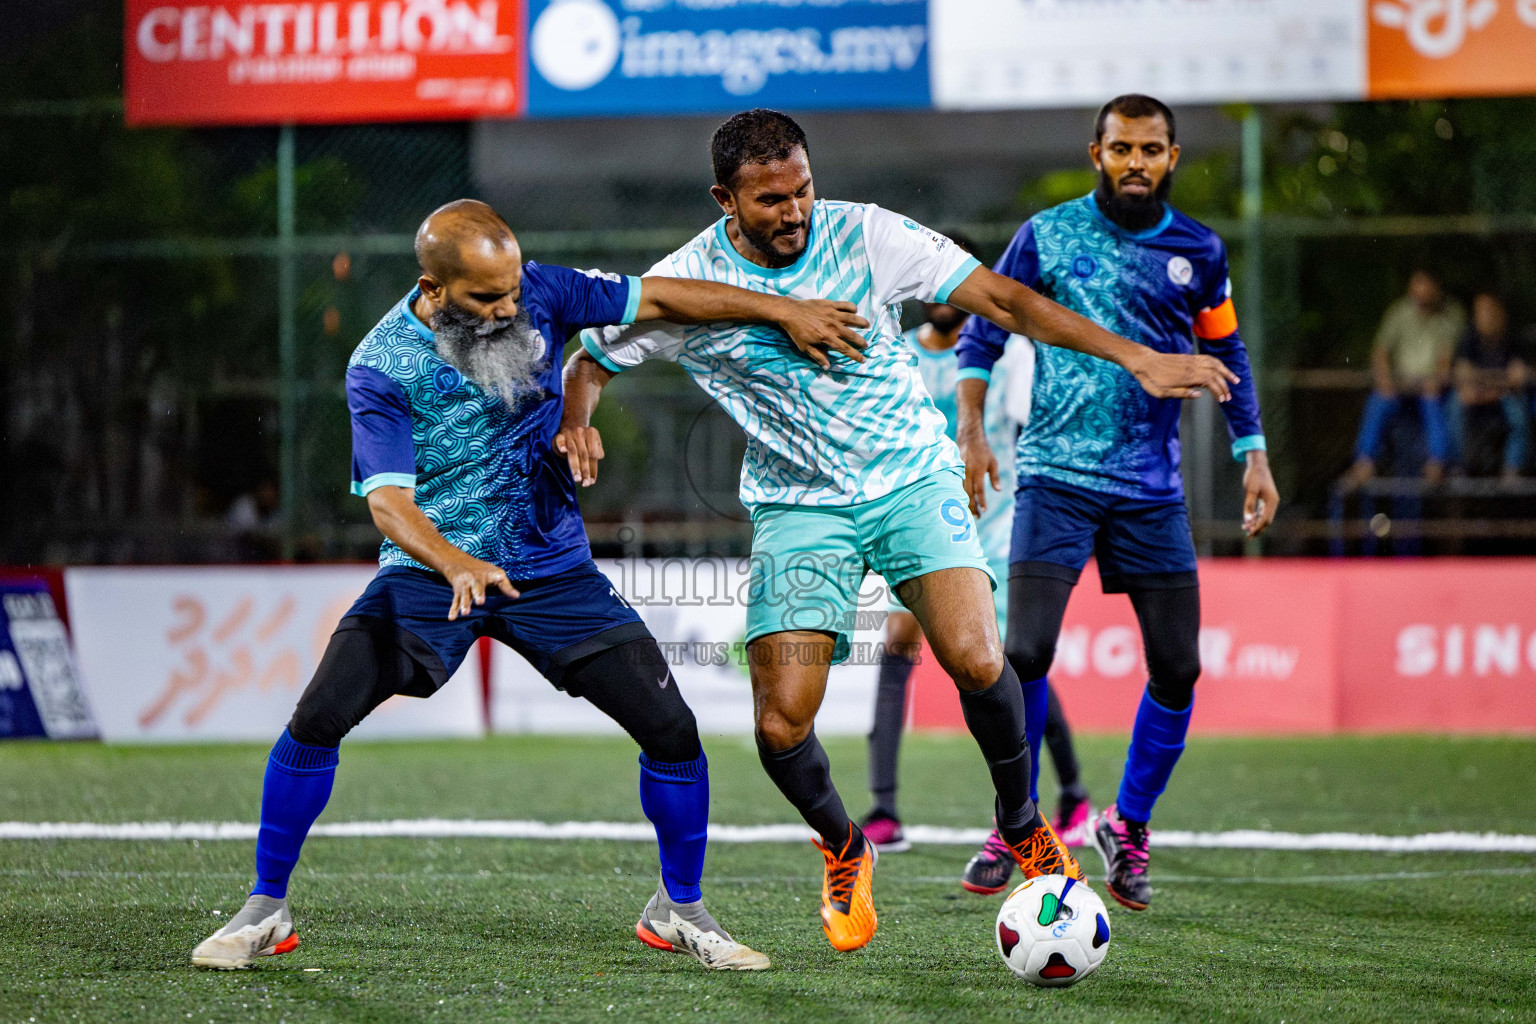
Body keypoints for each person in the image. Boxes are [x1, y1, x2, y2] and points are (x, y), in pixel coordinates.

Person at [563, 109, 1237, 953]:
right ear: (724, 200)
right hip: (800, 506)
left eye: (803, 189)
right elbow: (591, 357)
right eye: (771, 200)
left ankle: (1022, 822)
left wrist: (1131, 356)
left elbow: (1000, 297)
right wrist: (576, 418)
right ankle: (846, 847)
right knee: (781, 723)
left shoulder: (866, 235)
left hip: (913, 480)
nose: (795, 212)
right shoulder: (689, 281)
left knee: (979, 658)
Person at [191, 199, 872, 972]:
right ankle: (267, 907)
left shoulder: (541, 290)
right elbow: (388, 502)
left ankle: (678, 910)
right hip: (433, 571)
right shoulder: (381, 364)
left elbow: (663, 295)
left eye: (514, 288)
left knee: (673, 731)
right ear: (435, 288)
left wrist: (784, 309)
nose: (510, 306)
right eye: (488, 298)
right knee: (317, 717)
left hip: (552, 570)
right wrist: (453, 562)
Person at [954, 94, 1279, 913]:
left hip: (1149, 489)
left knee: (1178, 666)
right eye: (1123, 147)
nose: (1137, 161)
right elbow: (982, 331)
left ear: (1174, 158)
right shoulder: (1046, 235)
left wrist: (1254, 455)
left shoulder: (1198, 251)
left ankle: (1125, 825)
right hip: (1056, 479)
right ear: (1095, 151)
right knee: (1022, 653)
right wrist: (972, 430)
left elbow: (1226, 345)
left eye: (1153, 149)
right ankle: (1015, 822)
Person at [858, 244, 1092, 864]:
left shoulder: (1004, 354)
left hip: (997, 519)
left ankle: (1070, 795)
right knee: (897, 645)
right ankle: (884, 808)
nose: (936, 297)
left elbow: (1029, 423)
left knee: (1013, 661)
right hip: (928, 520)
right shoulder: (900, 353)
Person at [1346, 268, 1465, 485]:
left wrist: (1436, 380)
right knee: (1378, 401)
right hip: (1400, 385)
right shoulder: (1399, 312)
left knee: (1434, 403)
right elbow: (1380, 352)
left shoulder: (1451, 314)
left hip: (1430, 386)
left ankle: (1437, 462)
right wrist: (1385, 380)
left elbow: (1445, 358)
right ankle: (1364, 462)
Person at [1449, 292, 1528, 479]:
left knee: (1518, 414)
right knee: (1454, 405)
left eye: (1490, 311)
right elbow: (1463, 375)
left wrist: (1487, 387)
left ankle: (1512, 469)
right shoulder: (1468, 339)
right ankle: (1458, 468)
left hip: (1500, 397)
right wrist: (1499, 383)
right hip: (1480, 396)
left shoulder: (1513, 340)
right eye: (1481, 311)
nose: (1486, 317)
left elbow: (1518, 378)